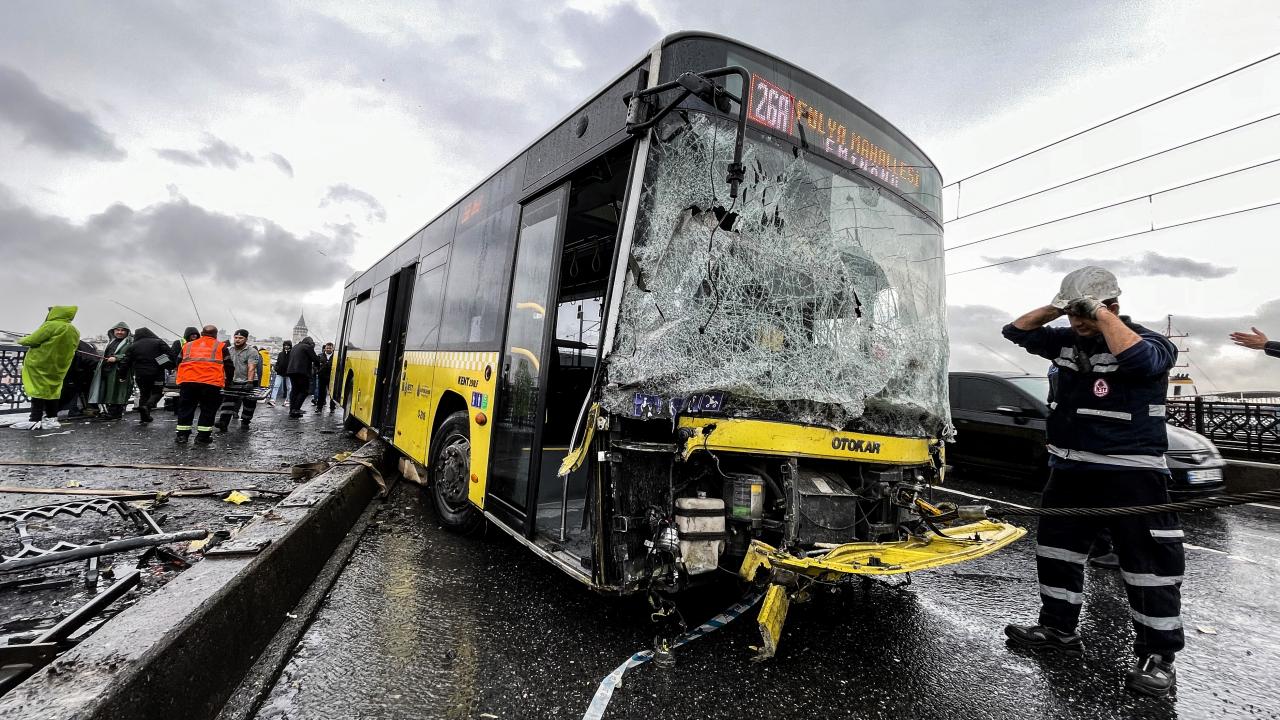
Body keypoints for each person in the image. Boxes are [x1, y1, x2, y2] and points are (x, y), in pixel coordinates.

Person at [1001, 266, 1183, 698]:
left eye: (1084, 315)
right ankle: (1057, 630)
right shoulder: (1066, 339)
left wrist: (1099, 314)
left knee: (1148, 568)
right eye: (1073, 316)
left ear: (1113, 308)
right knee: (1057, 553)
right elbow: (1016, 331)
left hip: (1132, 474)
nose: (1077, 324)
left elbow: (1140, 361)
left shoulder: (1151, 343)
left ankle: (1158, 658)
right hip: (1070, 470)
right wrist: (1060, 306)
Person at [1, 306, 80, 430]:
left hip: (41, 364)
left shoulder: (51, 325)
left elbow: (31, 340)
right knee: (52, 392)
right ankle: (51, 419)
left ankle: (35, 419)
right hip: (59, 366)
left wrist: (21, 339)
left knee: (38, 391)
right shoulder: (74, 330)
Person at [175, 325, 231, 444]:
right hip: (211, 383)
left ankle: (182, 436)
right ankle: (202, 437)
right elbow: (229, 366)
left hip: (188, 381)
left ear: (201, 333)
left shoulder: (188, 345)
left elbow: (178, 361)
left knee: (186, 408)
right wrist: (228, 382)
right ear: (215, 334)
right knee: (208, 409)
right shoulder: (221, 346)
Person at [124, 327, 176, 423]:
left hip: (140, 375)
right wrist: (167, 364)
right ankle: (147, 406)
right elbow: (171, 354)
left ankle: (144, 417)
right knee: (158, 392)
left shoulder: (133, 346)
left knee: (144, 394)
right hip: (157, 373)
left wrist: (122, 375)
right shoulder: (158, 342)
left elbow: (126, 362)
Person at [218, 329, 262, 431]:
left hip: (248, 381)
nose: (237, 340)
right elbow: (223, 365)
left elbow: (251, 367)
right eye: (236, 337)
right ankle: (223, 422)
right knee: (228, 402)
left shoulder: (252, 351)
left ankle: (245, 422)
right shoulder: (228, 350)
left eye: (240, 338)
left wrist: (250, 382)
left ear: (246, 339)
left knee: (249, 404)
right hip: (233, 380)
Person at [89, 321, 134, 419]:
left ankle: (115, 413)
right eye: (117, 330)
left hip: (120, 371)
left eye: (122, 330)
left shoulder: (130, 342)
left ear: (127, 332)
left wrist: (117, 358)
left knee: (118, 392)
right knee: (108, 392)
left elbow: (131, 355)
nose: (120, 332)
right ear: (113, 331)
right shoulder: (111, 342)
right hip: (108, 370)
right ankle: (111, 412)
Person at [287, 336, 319, 418]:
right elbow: (315, 359)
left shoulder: (295, 347)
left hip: (291, 371)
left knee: (294, 390)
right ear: (310, 343)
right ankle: (296, 409)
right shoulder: (307, 347)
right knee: (304, 391)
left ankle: (292, 410)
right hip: (302, 372)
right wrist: (318, 364)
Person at [313, 342, 335, 411]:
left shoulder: (335, 356)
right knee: (321, 393)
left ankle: (332, 407)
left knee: (332, 393)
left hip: (331, 377)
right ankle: (319, 407)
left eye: (330, 348)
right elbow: (315, 365)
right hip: (322, 376)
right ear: (325, 348)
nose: (328, 349)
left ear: (332, 349)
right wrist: (317, 371)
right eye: (327, 348)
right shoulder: (320, 356)